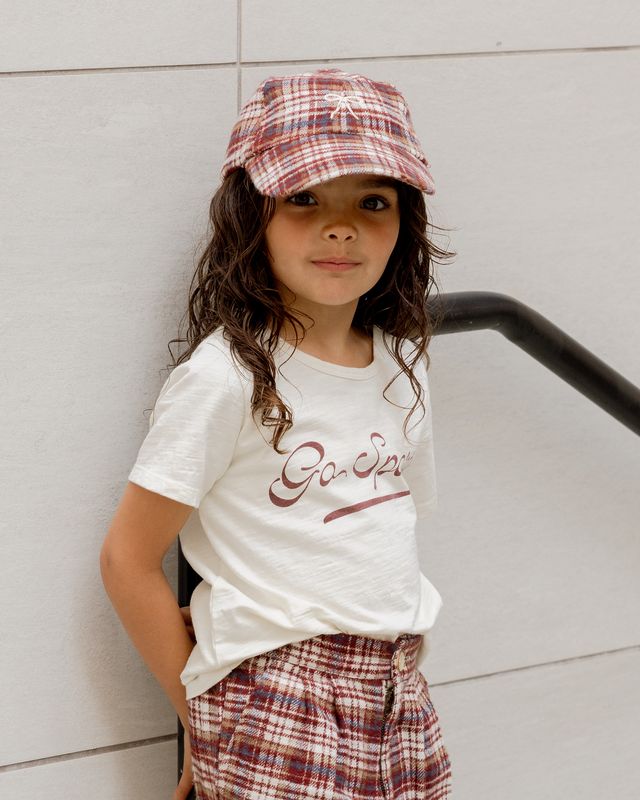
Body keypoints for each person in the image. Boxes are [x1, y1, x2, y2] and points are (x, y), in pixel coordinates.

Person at [100, 67, 456, 800]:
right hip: (281, 700)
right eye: (303, 197)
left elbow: (384, 536)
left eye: (373, 200)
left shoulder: (402, 370)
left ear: (404, 219)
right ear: (250, 215)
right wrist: (202, 719)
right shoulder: (227, 376)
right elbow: (127, 559)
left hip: (398, 695)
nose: (341, 226)